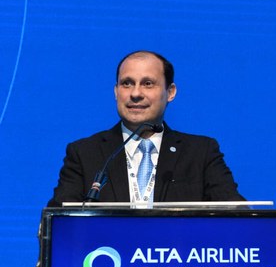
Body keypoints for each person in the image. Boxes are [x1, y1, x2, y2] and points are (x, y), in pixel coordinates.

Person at [47, 50, 245, 206]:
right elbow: (57, 224)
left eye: (148, 83)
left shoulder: (201, 152)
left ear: (170, 92)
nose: (135, 93)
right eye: (127, 83)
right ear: (116, 92)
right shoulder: (85, 153)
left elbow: (236, 214)